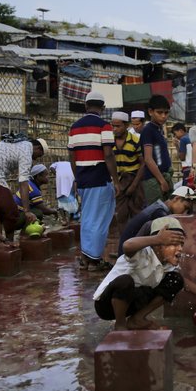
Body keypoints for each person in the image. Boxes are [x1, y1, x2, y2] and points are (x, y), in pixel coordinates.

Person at [93, 216, 196, 330]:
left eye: (181, 244)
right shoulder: (140, 254)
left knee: (175, 280)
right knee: (125, 281)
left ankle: (137, 319)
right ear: (158, 246)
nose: (179, 249)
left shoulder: (166, 263)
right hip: (106, 306)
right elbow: (127, 246)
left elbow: (184, 282)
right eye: (173, 244)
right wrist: (157, 239)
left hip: (131, 302)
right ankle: (120, 324)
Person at [68, 91, 120, 271]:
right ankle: (94, 259)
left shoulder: (74, 127)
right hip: (99, 177)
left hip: (83, 178)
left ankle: (86, 257)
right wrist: (116, 180)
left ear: (86, 106)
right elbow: (108, 154)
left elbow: (72, 156)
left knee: (88, 218)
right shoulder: (104, 127)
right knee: (99, 219)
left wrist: (77, 178)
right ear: (103, 108)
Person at [0, 136, 49, 240]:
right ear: (38, 148)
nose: (36, 158)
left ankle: (0, 245)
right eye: (39, 155)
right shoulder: (27, 151)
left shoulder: (22, 144)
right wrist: (26, 211)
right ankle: (9, 243)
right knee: (11, 210)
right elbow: (23, 182)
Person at [118, 186, 194, 256]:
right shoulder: (159, 212)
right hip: (128, 254)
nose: (185, 213)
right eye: (185, 207)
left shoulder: (158, 208)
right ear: (176, 199)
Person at [110, 111, 145, 230]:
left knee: (137, 212)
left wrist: (134, 185)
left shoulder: (136, 140)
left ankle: (139, 241)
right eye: (113, 126)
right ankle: (124, 242)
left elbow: (143, 163)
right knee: (121, 214)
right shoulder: (109, 142)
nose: (115, 129)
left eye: (118, 126)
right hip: (119, 180)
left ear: (126, 125)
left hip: (134, 178)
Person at [140, 95, 173, 205]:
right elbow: (148, 159)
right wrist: (162, 181)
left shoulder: (159, 129)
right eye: (159, 112)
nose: (163, 116)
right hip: (153, 180)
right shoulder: (148, 130)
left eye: (166, 113)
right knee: (157, 215)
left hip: (162, 177)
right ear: (150, 112)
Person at [13, 164, 59, 230]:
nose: (48, 177)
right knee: (38, 213)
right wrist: (54, 211)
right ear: (38, 176)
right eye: (46, 175)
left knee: (36, 214)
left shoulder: (29, 184)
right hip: (15, 218)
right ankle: (24, 234)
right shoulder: (34, 190)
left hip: (14, 215)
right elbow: (44, 210)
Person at [170, 123, 194, 187]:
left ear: (180, 131)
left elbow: (182, 157)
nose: (175, 137)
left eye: (175, 134)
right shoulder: (191, 137)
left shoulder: (183, 139)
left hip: (188, 168)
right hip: (194, 168)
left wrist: (177, 146)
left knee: (186, 191)